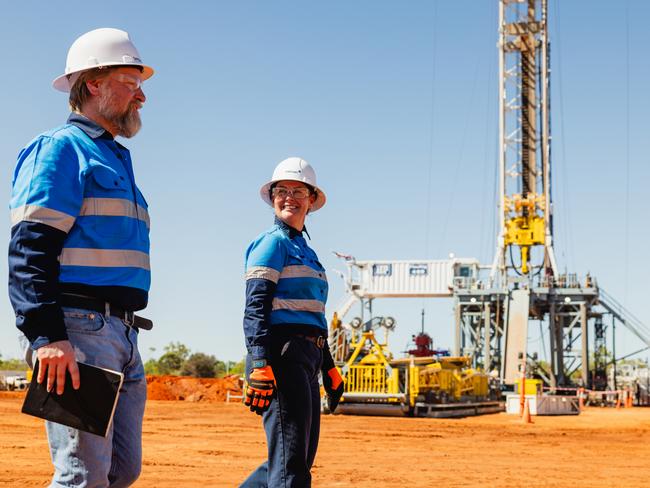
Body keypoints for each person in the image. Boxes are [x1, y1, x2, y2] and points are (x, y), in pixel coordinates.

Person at [8, 28, 154, 487]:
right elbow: (30, 246)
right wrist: (47, 335)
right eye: (131, 83)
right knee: (82, 477)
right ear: (94, 83)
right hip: (77, 330)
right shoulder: (61, 149)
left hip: (122, 333)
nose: (142, 96)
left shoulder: (113, 157)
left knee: (120, 470)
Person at [240, 157, 344, 488]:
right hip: (280, 357)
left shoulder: (306, 250)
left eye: (298, 191)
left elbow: (313, 315)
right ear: (272, 198)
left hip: (307, 357)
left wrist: (328, 366)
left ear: (311, 200)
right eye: (281, 190)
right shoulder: (273, 243)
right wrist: (259, 363)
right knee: (291, 469)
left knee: (291, 461)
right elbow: (255, 306)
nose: (289, 197)